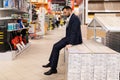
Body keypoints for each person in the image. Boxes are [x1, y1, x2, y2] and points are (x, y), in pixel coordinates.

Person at [42, 6, 82, 75]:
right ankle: (51, 63)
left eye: (65, 12)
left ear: (70, 10)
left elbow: (74, 32)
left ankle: (53, 69)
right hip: (68, 37)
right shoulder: (71, 17)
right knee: (55, 45)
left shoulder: (75, 18)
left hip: (73, 40)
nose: (64, 14)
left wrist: (71, 43)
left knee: (56, 47)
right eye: (63, 12)